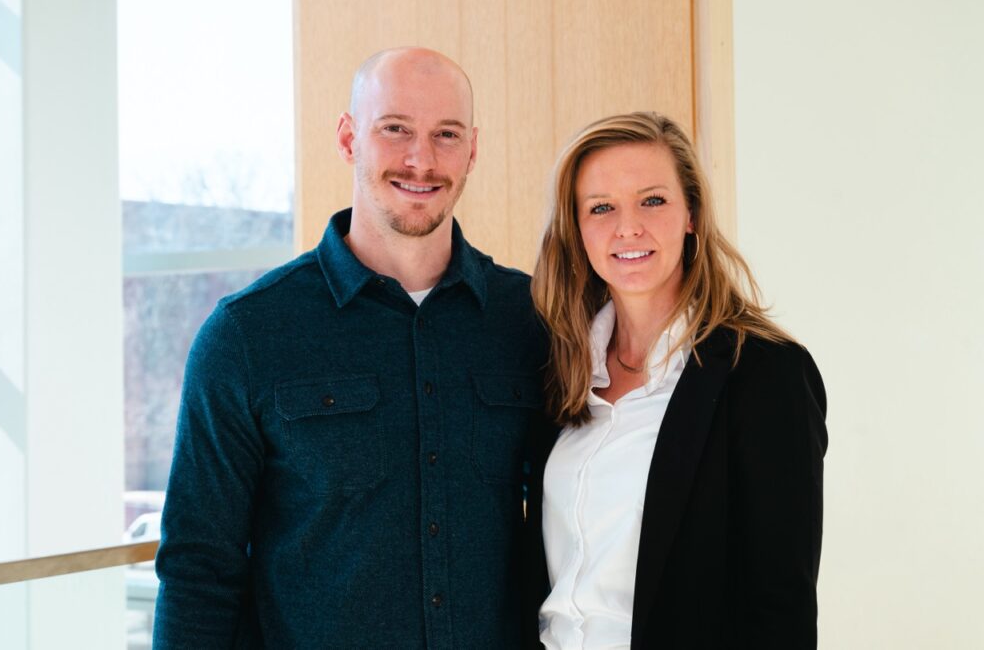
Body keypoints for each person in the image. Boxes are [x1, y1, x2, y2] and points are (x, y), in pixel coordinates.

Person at [153, 47, 547, 648]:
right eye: (395, 129)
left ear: (472, 150)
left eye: (447, 134)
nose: (422, 159)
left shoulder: (531, 319)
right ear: (348, 138)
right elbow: (198, 569)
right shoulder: (246, 336)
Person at [524, 111, 827, 648]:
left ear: (692, 213)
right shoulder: (560, 369)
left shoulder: (764, 374)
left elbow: (780, 607)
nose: (628, 227)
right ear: (577, 230)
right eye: (601, 208)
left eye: (653, 200)